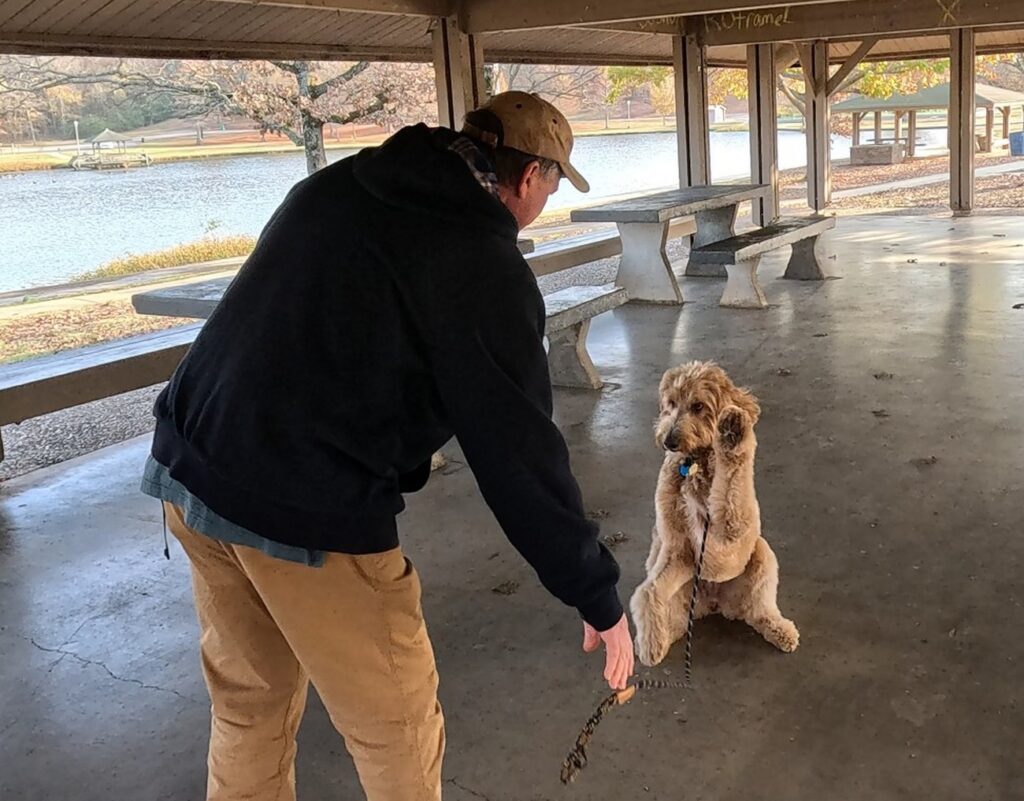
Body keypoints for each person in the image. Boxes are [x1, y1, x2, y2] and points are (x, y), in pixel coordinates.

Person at [142, 91, 634, 801]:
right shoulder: (481, 264)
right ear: (530, 177)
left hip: (189, 467)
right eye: (553, 187)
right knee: (396, 728)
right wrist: (595, 593)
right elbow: (520, 456)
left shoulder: (341, 183)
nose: (545, 201)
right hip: (304, 502)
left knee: (250, 706)